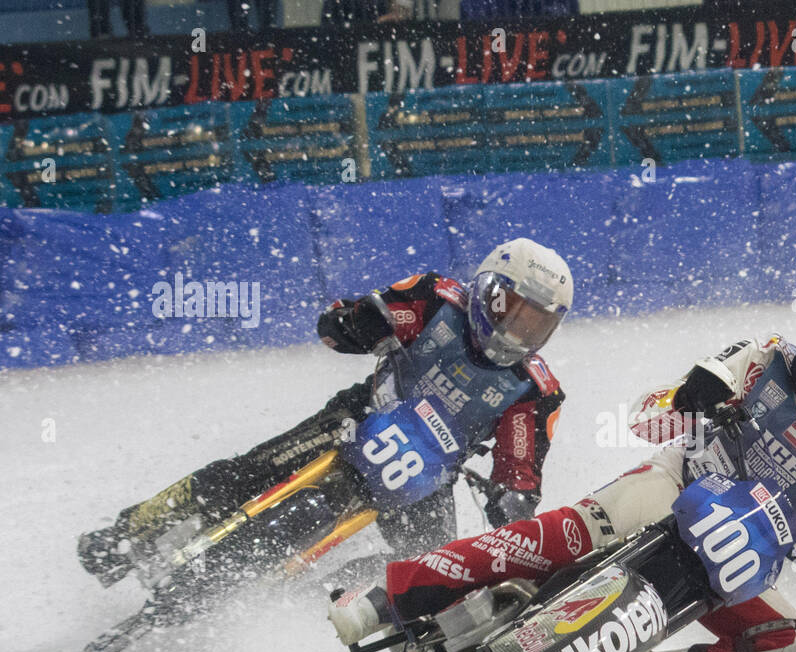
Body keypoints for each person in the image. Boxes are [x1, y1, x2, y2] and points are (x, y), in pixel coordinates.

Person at [329, 272, 796, 652]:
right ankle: (394, 596)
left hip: (735, 561)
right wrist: (689, 400)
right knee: (559, 535)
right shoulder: (764, 359)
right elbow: (647, 419)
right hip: (671, 491)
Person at [77, 238, 571, 588]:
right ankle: (130, 530)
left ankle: (315, 598)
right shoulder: (433, 298)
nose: (516, 333)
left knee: (426, 577)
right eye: (513, 312)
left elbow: (520, 472)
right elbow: (336, 327)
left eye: (535, 325)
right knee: (247, 472)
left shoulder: (533, 391)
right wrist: (360, 322)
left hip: (428, 478)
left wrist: (513, 500)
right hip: (356, 419)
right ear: (488, 292)